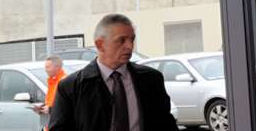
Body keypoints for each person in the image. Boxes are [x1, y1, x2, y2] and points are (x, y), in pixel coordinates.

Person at [46, 14, 178, 131]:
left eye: (132, 39)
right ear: (100, 45)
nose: (130, 46)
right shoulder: (71, 87)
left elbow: (165, 123)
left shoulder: (151, 79)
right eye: (121, 40)